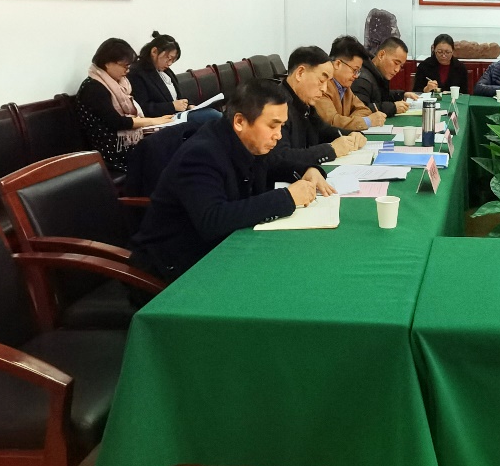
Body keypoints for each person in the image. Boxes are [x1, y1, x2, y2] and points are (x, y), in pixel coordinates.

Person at [130, 79, 332, 282]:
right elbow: (213, 219)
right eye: (273, 126)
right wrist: (287, 198)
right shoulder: (201, 154)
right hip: (177, 266)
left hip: (221, 251)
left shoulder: (247, 141)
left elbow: (276, 164)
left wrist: (309, 170)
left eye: (282, 126)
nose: (278, 135)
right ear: (240, 122)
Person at [76, 38, 175, 172]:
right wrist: (153, 121)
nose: (127, 71)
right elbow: (116, 122)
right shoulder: (93, 87)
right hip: (110, 150)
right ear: (108, 63)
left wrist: (154, 122)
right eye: (125, 66)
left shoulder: (118, 84)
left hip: (122, 143)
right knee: (161, 153)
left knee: (169, 144)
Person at [268, 45, 367, 176]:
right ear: (300, 73)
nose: (324, 89)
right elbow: (281, 157)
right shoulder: (277, 106)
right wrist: (330, 150)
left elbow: (322, 130)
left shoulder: (304, 103)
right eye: (321, 80)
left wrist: (351, 135)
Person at [128, 31, 221, 124]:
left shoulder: (166, 71)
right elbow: (143, 107)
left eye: (172, 61)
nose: (169, 64)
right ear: (154, 52)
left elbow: (179, 95)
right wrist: (172, 106)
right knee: (214, 116)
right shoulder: (137, 73)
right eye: (168, 58)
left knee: (215, 116)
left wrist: (189, 105)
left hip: (179, 115)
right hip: (163, 120)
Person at [314, 36, 386, 131]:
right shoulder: (322, 87)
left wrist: (348, 121)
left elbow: (364, 109)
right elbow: (332, 122)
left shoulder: (345, 87)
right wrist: (367, 121)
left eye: (358, 71)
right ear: (337, 64)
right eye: (354, 70)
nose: (356, 76)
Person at [352, 36, 419, 116]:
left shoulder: (377, 73)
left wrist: (402, 95)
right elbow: (360, 110)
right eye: (396, 63)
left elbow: (379, 95)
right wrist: (393, 108)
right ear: (381, 55)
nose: (397, 70)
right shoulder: (362, 79)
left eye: (400, 66)